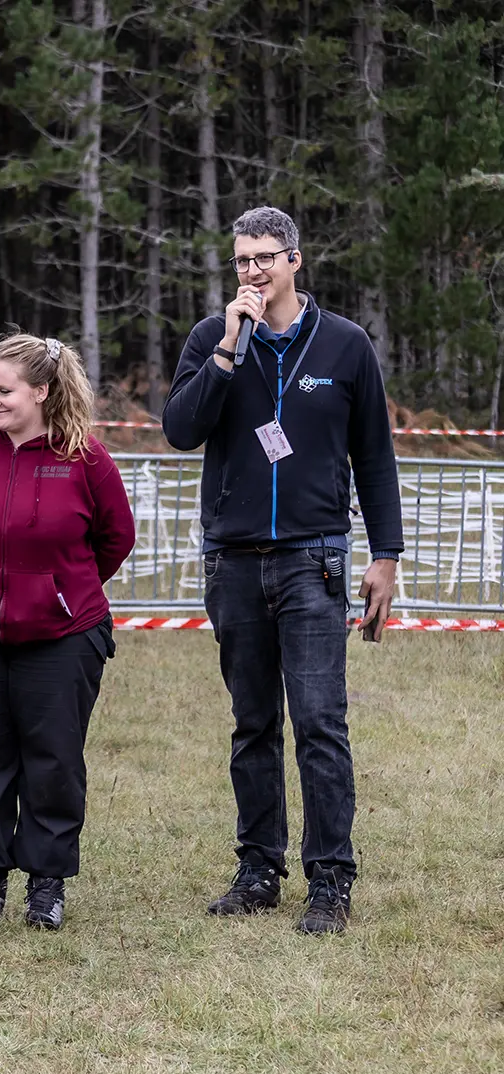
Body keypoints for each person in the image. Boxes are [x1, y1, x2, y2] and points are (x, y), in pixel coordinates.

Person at [163, 205, 402, 935]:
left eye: (266, 257)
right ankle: (258, 868)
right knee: (252, 723)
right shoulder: (213, 338)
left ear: (296, 260)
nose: (254, 271)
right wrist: (228, 351)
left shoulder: (346, 345)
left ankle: (329, 879)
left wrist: (385, 556)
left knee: (321, 723)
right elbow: (180, 430)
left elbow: (375, 456)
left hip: (315, 559)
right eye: (241, 260)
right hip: (234, 559)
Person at [0, 334, 135, 930]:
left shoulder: (86, 459)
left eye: (3, 390)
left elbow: (115, 537)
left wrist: (60, 589)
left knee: (54, 760)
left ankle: (47, 881)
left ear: (41, 391)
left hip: (62, 637)